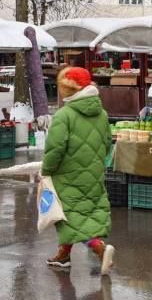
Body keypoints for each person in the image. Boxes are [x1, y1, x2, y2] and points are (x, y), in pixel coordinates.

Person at [43, 67, 115, 275]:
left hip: (66, 175)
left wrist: (46, 170)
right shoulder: (102, 114)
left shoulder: (63, 115)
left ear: (68, 89)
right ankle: (64, 255)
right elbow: (107, 143)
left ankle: (98, 247)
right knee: (83, 213)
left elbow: (55, 149)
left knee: (68, 216)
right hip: (93, 172)